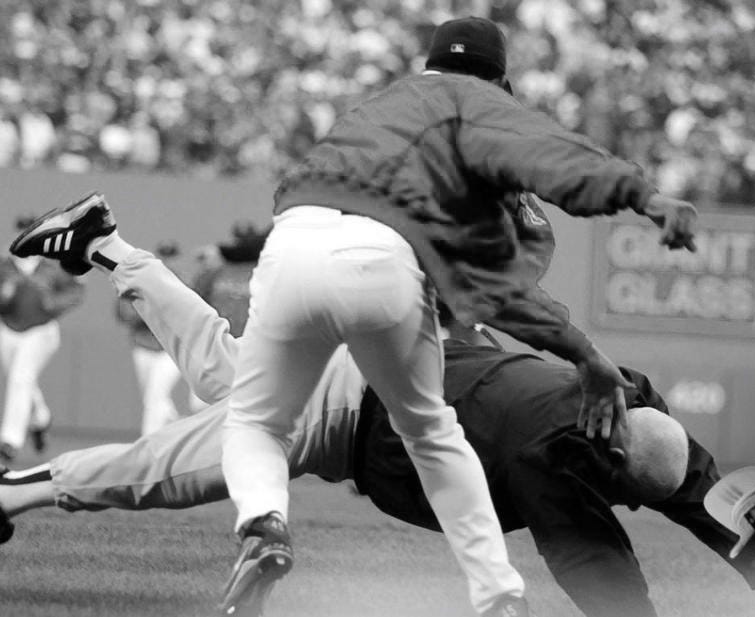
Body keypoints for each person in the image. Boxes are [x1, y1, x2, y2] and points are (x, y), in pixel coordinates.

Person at [0, 209, 755, 617]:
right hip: (353, 407)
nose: (649, 480)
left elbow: (685, 475)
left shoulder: (617, 391)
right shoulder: (562, 449)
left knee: (226, 373)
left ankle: (110, 247)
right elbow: (600, 563)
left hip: (373, 371)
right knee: (178, 467)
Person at [231, 16, 696, 616]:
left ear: (429, 61)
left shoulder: (380, 108)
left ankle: (263, 523)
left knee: (258, 424)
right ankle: (498, 596)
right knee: (431, 431)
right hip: (383, 259)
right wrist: (644, 198)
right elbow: (553, 160)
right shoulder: (471, 106)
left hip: (291, 241)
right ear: (499, 78)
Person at [0, 214, 85, 462]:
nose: (24, 235)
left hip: (41, 330)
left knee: (20, 378)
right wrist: (1, 294)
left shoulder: (51, 265)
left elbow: (76, 290)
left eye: (30, 231)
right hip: (9, 329)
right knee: (20, 380)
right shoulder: (0, 264)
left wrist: (54, 302)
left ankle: (10, 441)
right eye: (21, 230)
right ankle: (40, 418)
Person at [116, 240, 186, 434]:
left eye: (172, 256)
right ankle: (178, 425)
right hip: (144, 346)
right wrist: (149, 312)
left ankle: (148, 445)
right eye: (164, 256)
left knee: (153, 398)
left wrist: (152, 312)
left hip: (171, 351)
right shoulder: (140, 280)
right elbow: (124, 313)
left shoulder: (183, 283)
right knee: (154, 398)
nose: (168, 261)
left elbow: (184, 317)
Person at [192, 221, 270, 338]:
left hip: (257, 340)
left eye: (248, 239)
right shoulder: (214, 272)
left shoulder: (266, 271)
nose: (243, 243)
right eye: (239, 239)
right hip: (223, 340)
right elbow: (195, 302)